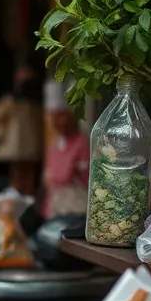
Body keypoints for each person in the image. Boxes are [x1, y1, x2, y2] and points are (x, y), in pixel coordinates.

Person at [0, 65, 44, 196]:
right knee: (21, 178)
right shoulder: (14, 100)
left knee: (25, 178)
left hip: (22, 147)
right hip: (22, 147)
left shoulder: (32, 101)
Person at [41, 81, 89, 218]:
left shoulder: (82, 143)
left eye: (61, 116)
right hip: (54, 207)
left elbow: (81, 176)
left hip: (74, 209)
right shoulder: (54, 145)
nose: (58, 122)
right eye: (54, 117)